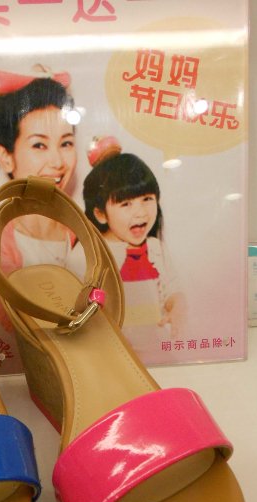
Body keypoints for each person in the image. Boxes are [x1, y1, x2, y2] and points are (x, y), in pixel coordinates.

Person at [0, 67, 79, 372]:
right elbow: (5, 327)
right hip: (22, 371)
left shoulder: (84, 232)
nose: (57, 162)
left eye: (66, 143)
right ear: (5, 156)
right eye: (39, 145)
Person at [66, 137, 185, 360]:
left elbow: (172, 290)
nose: (140, 212)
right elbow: (75, 308)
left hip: (159, 352)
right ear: (100, 213)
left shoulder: (155, 247)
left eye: (147, 199)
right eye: (126, 203)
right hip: (112, 358)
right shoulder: (86, 255)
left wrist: (177, 309)